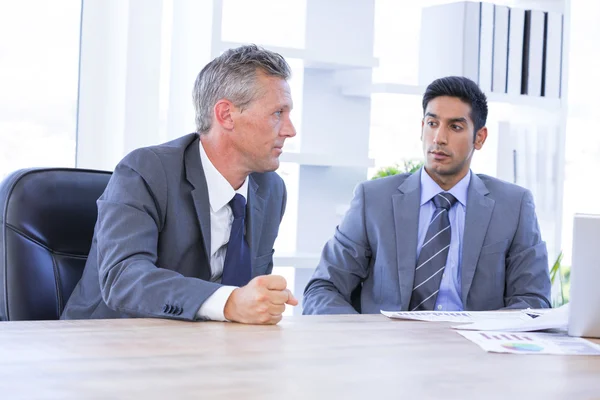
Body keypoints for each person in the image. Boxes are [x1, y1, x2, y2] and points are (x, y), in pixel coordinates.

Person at [62, 45, 298, 324]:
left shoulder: (270, 190)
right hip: (108, 344)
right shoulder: (145, 171)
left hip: (202, 349)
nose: (290, 130)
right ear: (226, 115)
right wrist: (230, 301)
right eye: (277, 113)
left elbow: (249, 294)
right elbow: (123, 278)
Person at [303, 76, 551, 314]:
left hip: (473, 351)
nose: (439, 138)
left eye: (455, 127)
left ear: (480, 137)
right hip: (387, 349)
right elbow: (324, 288)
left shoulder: (514, 206)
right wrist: (363, 341)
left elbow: (533, 301)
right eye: (432, 124)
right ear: (422, 128)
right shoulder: (373, 200)